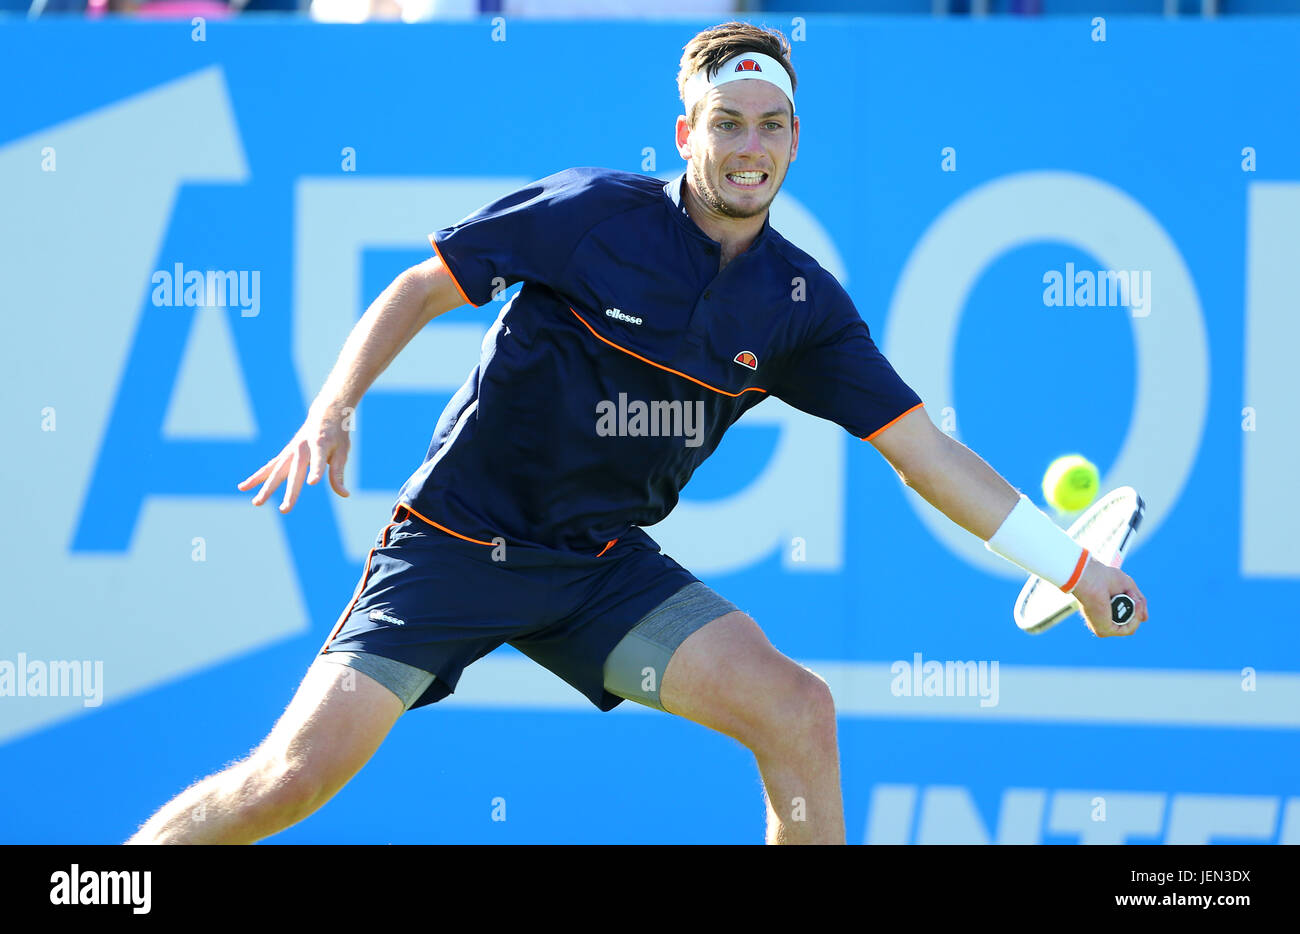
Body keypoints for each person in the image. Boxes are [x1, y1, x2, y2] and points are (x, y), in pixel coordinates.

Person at [127, 20, 1147, 846]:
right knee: (286, 782)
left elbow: (928, 457)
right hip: (452, 543)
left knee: (797, 711)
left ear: (794, 139)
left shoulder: (800, 306)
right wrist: (332, 407)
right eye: (727, 123)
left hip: (598, 567)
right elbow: (418, 288)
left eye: (770, 126)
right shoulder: (590, 213)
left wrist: (1071, 570)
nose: (749, 147)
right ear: (685, 132)